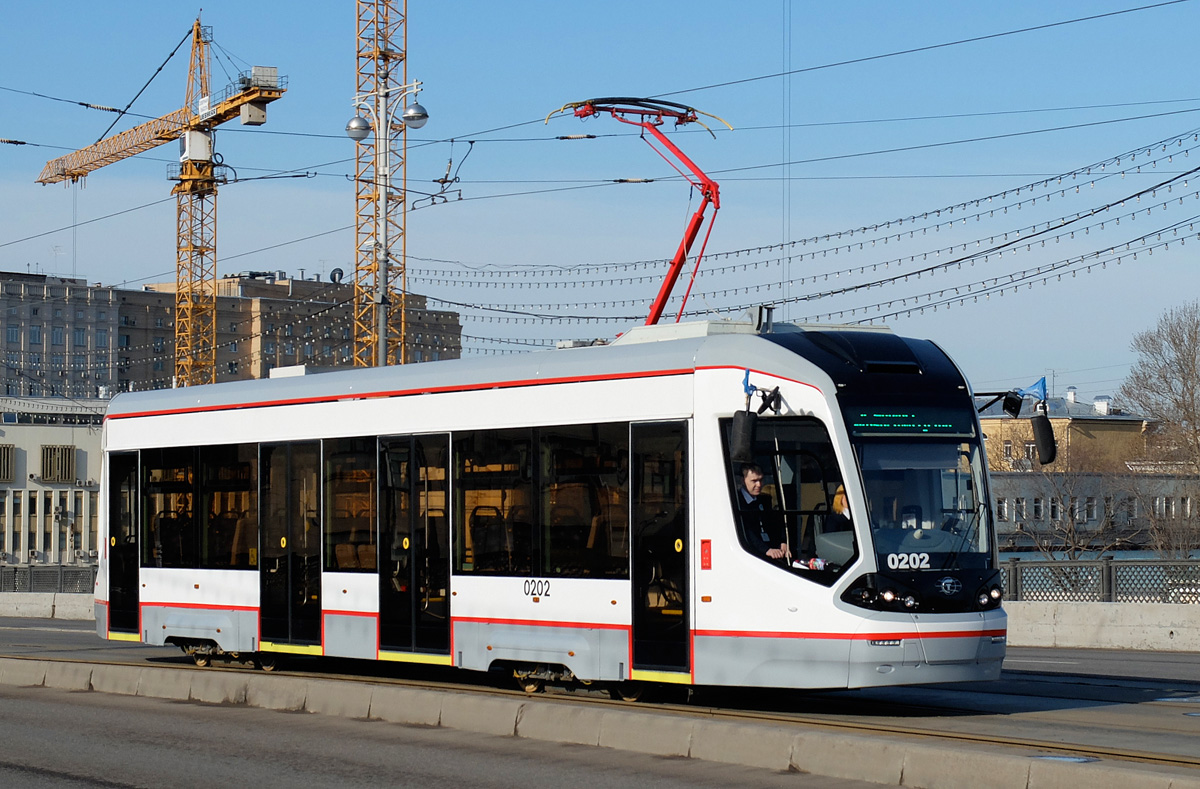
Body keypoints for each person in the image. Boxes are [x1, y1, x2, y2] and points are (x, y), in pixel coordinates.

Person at [737, 463, 790, 561]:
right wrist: (766, 550)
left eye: (761, 480)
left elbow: (774, 523)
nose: (759, 485)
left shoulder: (764, 500)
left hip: (771, 550)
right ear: (743, 481)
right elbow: (746, 531)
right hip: (750, 553)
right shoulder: (737, 502)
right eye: (754, 481)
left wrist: (783, 542)